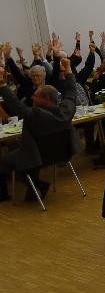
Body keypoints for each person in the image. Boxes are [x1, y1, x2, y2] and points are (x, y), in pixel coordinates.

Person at [0, 58, 79, 201]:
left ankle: (35, 186)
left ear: (46, 99)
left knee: (4, 161)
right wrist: (68, 69)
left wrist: (2, 84)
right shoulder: (66, 110)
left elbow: (17, 106)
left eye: (36, 96)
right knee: (20, 148)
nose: (32, 98)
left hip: (38, 156)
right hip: (61, 153)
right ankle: (34, 188)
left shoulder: (36, 115)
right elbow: (72, 91)